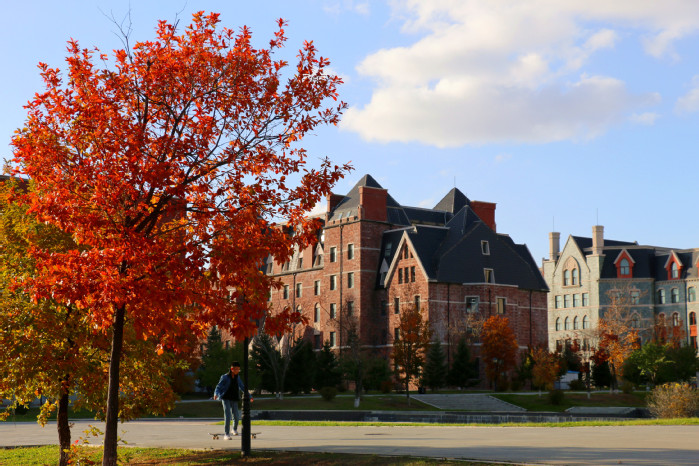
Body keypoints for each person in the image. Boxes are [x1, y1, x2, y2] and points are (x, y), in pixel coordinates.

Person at [213, 361, 251, 439]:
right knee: (227, 416)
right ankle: (226, 434)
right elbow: (218, 386)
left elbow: (243, 387)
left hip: (234, 398)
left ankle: (234, 429)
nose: (237, 371)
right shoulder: (225, 377)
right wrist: (216, 394)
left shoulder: (238, 377)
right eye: (236, 369)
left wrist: (249, 396)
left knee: (236, 416)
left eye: (239, 369)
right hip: (225, 398)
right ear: (232, 369)